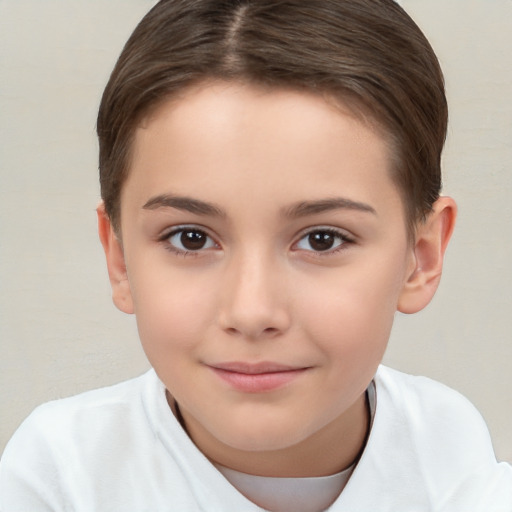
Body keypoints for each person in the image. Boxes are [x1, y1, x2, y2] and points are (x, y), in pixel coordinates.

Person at [1, 0, 511, 510]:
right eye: (191, 238)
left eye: (322, 239)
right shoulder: (59, 479)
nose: (252, 312)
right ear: (119, 258)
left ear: (419, 258)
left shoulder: (455, 467)